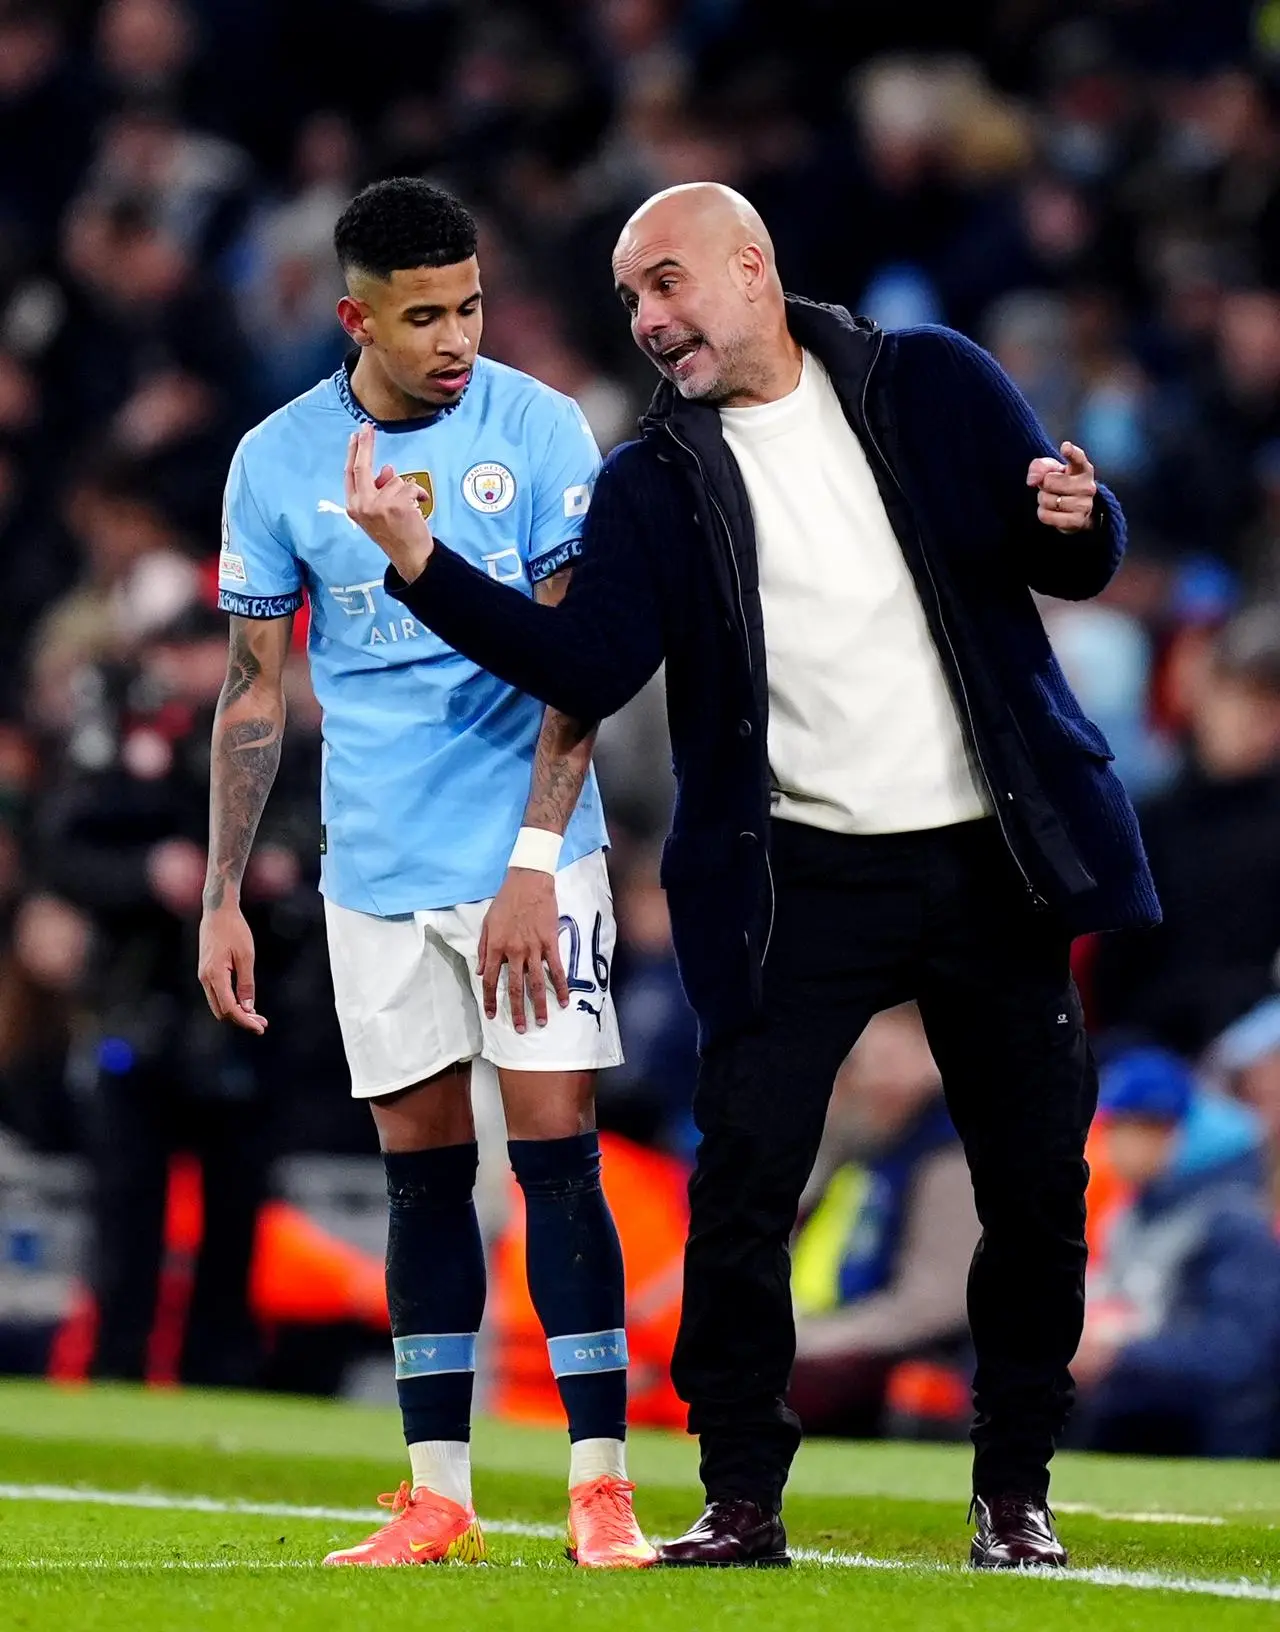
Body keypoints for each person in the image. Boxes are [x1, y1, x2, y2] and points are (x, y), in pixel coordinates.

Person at [345, 182, 1159, 1569]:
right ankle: (739, 1499)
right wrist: (423, 569)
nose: (651, 321)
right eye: (631, 302)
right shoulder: (653, 480)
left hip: (990, 859)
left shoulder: (937, 382)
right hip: (800, 879)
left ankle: (1015, 1492)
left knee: (1033, 1193)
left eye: (668, 284)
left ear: (752, 266)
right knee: (741, 1193)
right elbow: (590, 667)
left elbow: (1057, 551)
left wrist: (1083, 522)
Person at [196, 178, 654, 1570]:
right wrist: (224, 892)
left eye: (468, 304)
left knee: (558, 1156)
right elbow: (252, 688)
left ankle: (601, 1485)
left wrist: (534, 858)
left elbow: (580, 675)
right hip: (374, 869)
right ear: (355, 318)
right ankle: (438, 1491)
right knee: (420, 1173)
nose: (458, 335)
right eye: (423, 315)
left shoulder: (540, 427)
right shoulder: (278, 460)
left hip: (531, 857)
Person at [1075, 1048, 1280, 1458]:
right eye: (1114, 1125)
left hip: (1214, 1430)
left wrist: (1119, 1355)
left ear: (1177, 1130)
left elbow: (1238, 1352)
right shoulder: (1129, 1214)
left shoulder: (1231, 1219)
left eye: (1140, 1126)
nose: (1118, 1142)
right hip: (1137, 1410)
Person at [788, 1005, 978, 1439]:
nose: (874, 1075)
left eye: (893, 1056)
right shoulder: (858, 1151)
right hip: (833, 1332)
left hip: (921, 1353)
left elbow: (938, 1301)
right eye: (865, 1060)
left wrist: (817, 1340)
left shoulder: (950, 1157)